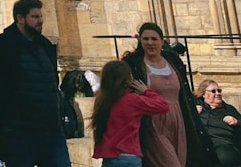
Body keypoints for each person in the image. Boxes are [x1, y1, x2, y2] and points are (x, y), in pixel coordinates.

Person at [0, 0, 71, 167]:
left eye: (41, 16)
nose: (40, 21)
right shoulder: (0, 45)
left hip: (50, 129)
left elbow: (51, 83)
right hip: (18, 130)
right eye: (35, 17)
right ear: (20, 19)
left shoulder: (45, 45)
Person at [123, 22, 207, 167]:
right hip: (153, 123)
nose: (150, 43)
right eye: (145, 39)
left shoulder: (173, 60)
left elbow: (185, 93)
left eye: (154, 39)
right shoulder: (134, 64)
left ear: (162, 41)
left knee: (180, 161)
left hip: (179, 120)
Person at [91, 59, 170, 167]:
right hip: (129, 156)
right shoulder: (132, 100)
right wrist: (146, 91)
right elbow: (163, 106)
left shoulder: (101, 101)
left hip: (109, 158)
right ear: (128, 79)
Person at [195, 80, 241, 167]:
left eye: (219, 91)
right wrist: (193, 112)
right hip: (202, 144)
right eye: (213, 91)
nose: (218, 93)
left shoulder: (228, 109)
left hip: (223, 144)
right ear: (204, 94)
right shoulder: (197, 107)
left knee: (224, 157)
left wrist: (236, 122)